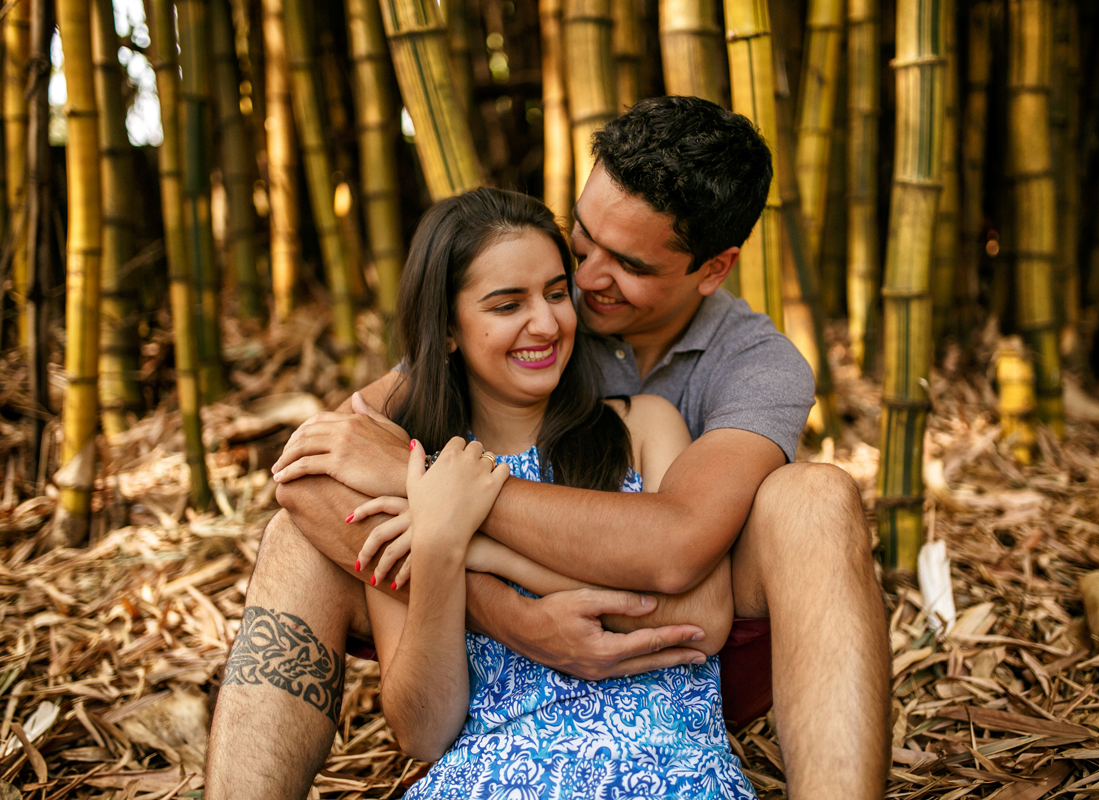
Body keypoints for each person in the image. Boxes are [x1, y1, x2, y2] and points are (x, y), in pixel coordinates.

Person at [205, 96, 889, 800]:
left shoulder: (754, 366)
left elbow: (679, 548)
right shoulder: (530, 298)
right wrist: (509, 613)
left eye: (627, 263)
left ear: (713, 269)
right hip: (477, 648)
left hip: (690, 641)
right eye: (583, 238)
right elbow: (310, 472)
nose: (586, 281)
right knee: (294, 540)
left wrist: (448, 496)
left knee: (817, 496)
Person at [342, 186, 753, 797]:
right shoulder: (419, 478)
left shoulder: (642, 427)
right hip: (490, 782)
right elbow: (424, 734)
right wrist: (438, 552)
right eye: (508, 305)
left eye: (557, 294)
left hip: (666, 772)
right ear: (448, 329)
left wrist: (483, 550)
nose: (547, 322)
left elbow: (704, 618)